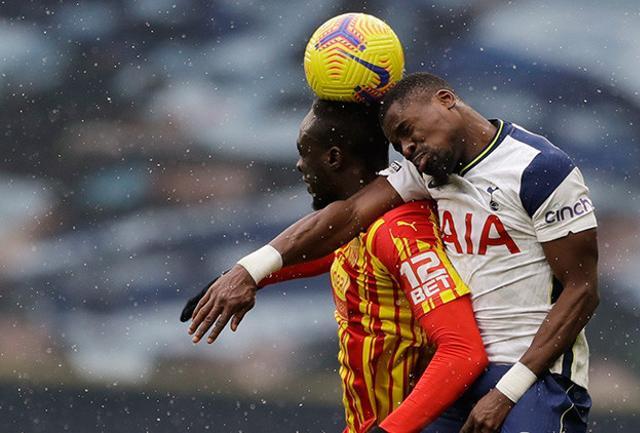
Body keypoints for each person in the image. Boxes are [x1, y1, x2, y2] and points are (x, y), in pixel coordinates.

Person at [189, 72, 599, 433]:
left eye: (408, 130)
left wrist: (507, 393)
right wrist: (250, 271)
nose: (406, 148)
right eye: (397, 143)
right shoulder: (429, 171)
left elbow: (582, 292)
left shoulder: (539, 168)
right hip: (462, 376)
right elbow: (347, 218)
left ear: (445, 100)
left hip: (536, 378)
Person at [185, 99, 488, 433]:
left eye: (304, 151)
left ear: (333, 157)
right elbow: (334, 254)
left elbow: (463, 352)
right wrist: (247, 277)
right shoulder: (360, 229)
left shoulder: (400, 232)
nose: (300, 165)